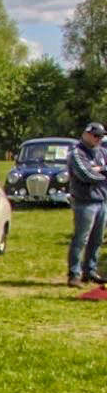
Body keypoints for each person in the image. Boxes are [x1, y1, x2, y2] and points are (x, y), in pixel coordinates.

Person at [66, 122, 107, 287]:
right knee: (81, 239)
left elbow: (96, 172)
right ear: (86, 134)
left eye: (101, 136)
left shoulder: (102, 151)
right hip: (84, 202)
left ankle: (90, 271)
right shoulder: (76, 153)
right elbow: (86, 175)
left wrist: (99, 169)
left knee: (97, 240)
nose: (98, 139)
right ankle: (74, 274)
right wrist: (101, 172)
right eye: (96, 136)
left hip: (102, 201)